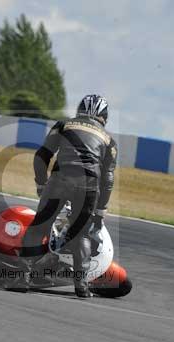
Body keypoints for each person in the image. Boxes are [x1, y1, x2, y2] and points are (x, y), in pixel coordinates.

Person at [19, 94, 117, 298]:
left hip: (59, 179)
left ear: (79, 110)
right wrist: (100, 210)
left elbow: (41, 157)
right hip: (88, 186)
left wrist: (41, 184)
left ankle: (22, 277)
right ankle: (81, 286)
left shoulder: (64, 125)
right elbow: (107, 180)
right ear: (103, 117)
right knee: (81, 233)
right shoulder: (109, 140)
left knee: (40, 226)